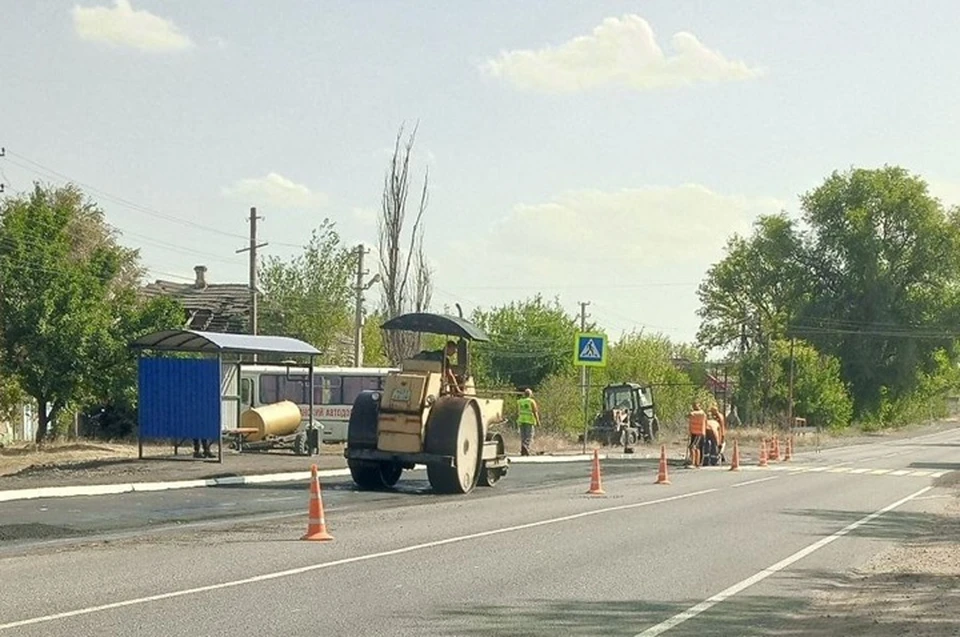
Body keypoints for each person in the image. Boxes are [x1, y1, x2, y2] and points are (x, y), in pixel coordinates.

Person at [516, 388, 541, 456]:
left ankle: (522, 450)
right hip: (529, 420)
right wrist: (538, 421)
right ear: (530, 394)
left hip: (521, 420)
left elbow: (518, 412)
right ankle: (526, 449)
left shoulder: (520, 401)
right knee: (529, 436)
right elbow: (535, 412)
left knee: (523, 436)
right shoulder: (531, 401)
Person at [687, 401, 707, 467]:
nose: (694, 407)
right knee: (695, 447)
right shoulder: (695, 413)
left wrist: (691, 413)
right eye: (694, 405)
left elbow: (691, 414)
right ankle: (696, 463)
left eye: (696, 405)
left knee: (693, 447)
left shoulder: (701, 413)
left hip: (699, 433)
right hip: (694, 432)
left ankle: (694, 463)